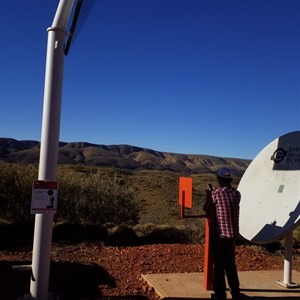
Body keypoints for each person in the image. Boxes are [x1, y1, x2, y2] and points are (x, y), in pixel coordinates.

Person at [203, 167, 241, 300]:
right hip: (232, 236)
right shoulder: (237, 194)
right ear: (229, 180)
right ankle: (235, 293)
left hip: (219, 235)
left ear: (219, 180)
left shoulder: (215, 193)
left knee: (218, 266)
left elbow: (206, 208)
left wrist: (209, 194)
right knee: (230, 264)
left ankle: (220, 295)